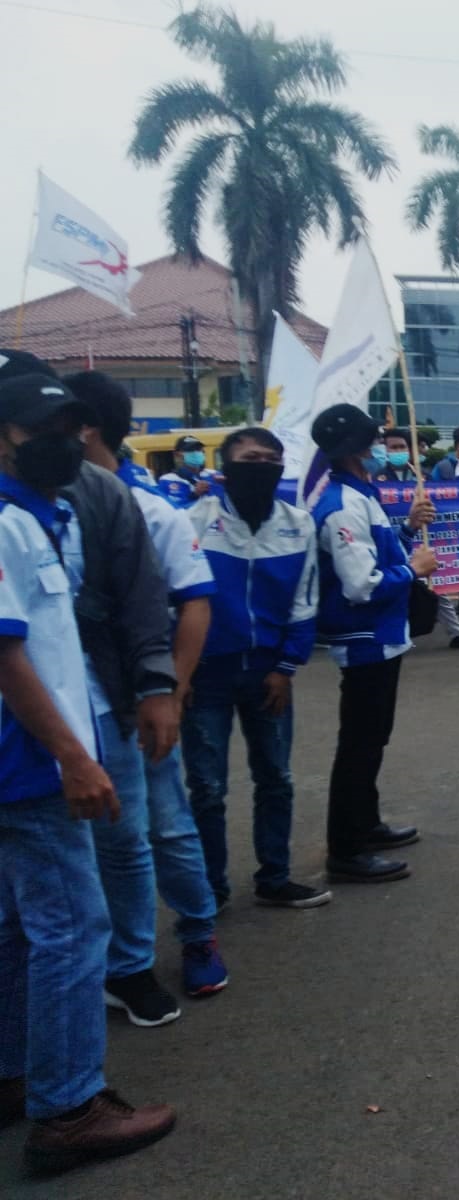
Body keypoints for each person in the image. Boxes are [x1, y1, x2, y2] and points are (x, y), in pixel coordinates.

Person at [0, 372, 178, 1172]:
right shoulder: (6, 523)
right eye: (41, 427)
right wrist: (73, 755)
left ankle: (15, 1076)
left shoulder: (43, 516)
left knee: (19, 929)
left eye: (74, 426)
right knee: (73, 929)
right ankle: (70, 1107)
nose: (65, 441)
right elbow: (6, 655)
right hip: (31, 765)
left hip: (33, 760)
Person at [68, 372, 229, 1009]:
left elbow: (194, 604)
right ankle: (115, 960)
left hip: (137, 697)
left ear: (83, 428)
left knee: (160, 827)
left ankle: (193, 936)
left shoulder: (148, 508)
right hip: (77, 704)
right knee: (107, 834)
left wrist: (173, 690)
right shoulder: (47, 507)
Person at [183, 425, 332, 911]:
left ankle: (275, 877)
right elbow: (176, 601)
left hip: (269, 672)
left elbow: (305, 600)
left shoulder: (298, 523)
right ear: (226, 466)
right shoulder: (193, 520)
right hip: (206, 675)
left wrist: (287, 665)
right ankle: (211, 890)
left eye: (271, 459)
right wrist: (179, 673)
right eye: (250, 458)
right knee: (207, 788)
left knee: (276, 778)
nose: (261, 466)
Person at [310, 403, 439, 883]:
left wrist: (407, 527)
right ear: (358, 450)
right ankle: (346, 849)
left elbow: (378, 552)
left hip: (383, 636)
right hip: (364, 638)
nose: (383, 449)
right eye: (376, 442)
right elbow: (359, 584)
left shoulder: (363, 495)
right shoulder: (343, 504)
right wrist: (414, 570)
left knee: (372, 738)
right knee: (360, 744)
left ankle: (366, 823)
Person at [376, 430, 459, 650]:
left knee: (437, 587)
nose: (398, 452)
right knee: (396, 589)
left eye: (402, 447)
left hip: (420, 540)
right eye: (393, 447)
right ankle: (397, 635)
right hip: (390, 542)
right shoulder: (377, 478)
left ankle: (457, 633)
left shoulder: (421, 476)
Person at [157, 434, 217, 508]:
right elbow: (171, 509)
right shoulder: (168, 480)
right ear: (177, 455)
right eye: (190, 450)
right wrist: (195, 494)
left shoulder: (213, 474)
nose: (196, 453)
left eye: (198, 449)